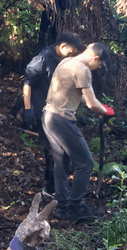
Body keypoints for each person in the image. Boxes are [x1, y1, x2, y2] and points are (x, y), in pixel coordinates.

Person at [42, 43, 114, 222]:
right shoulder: (82, 69)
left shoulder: (66, 62)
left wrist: (100, 106)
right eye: (98, 65)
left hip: (48, 116)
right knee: (86, 162)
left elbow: (77, 94)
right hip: (61, 119)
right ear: (95, 58)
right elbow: (91, 103)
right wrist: (105, 111)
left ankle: (62, 208)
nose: (97, 68)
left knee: (62, 162)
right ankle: (75, 206)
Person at [23, 32, 84, 196]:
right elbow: (27, 83)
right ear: (63, 46)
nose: (72, 56)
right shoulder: (42, 59)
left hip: (59, 113)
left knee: (63, 151)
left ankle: (57, 188)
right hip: (42, 113)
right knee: (54, 151)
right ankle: (51, 190)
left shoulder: (65, 61)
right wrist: (28, 109)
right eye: (71, 52)